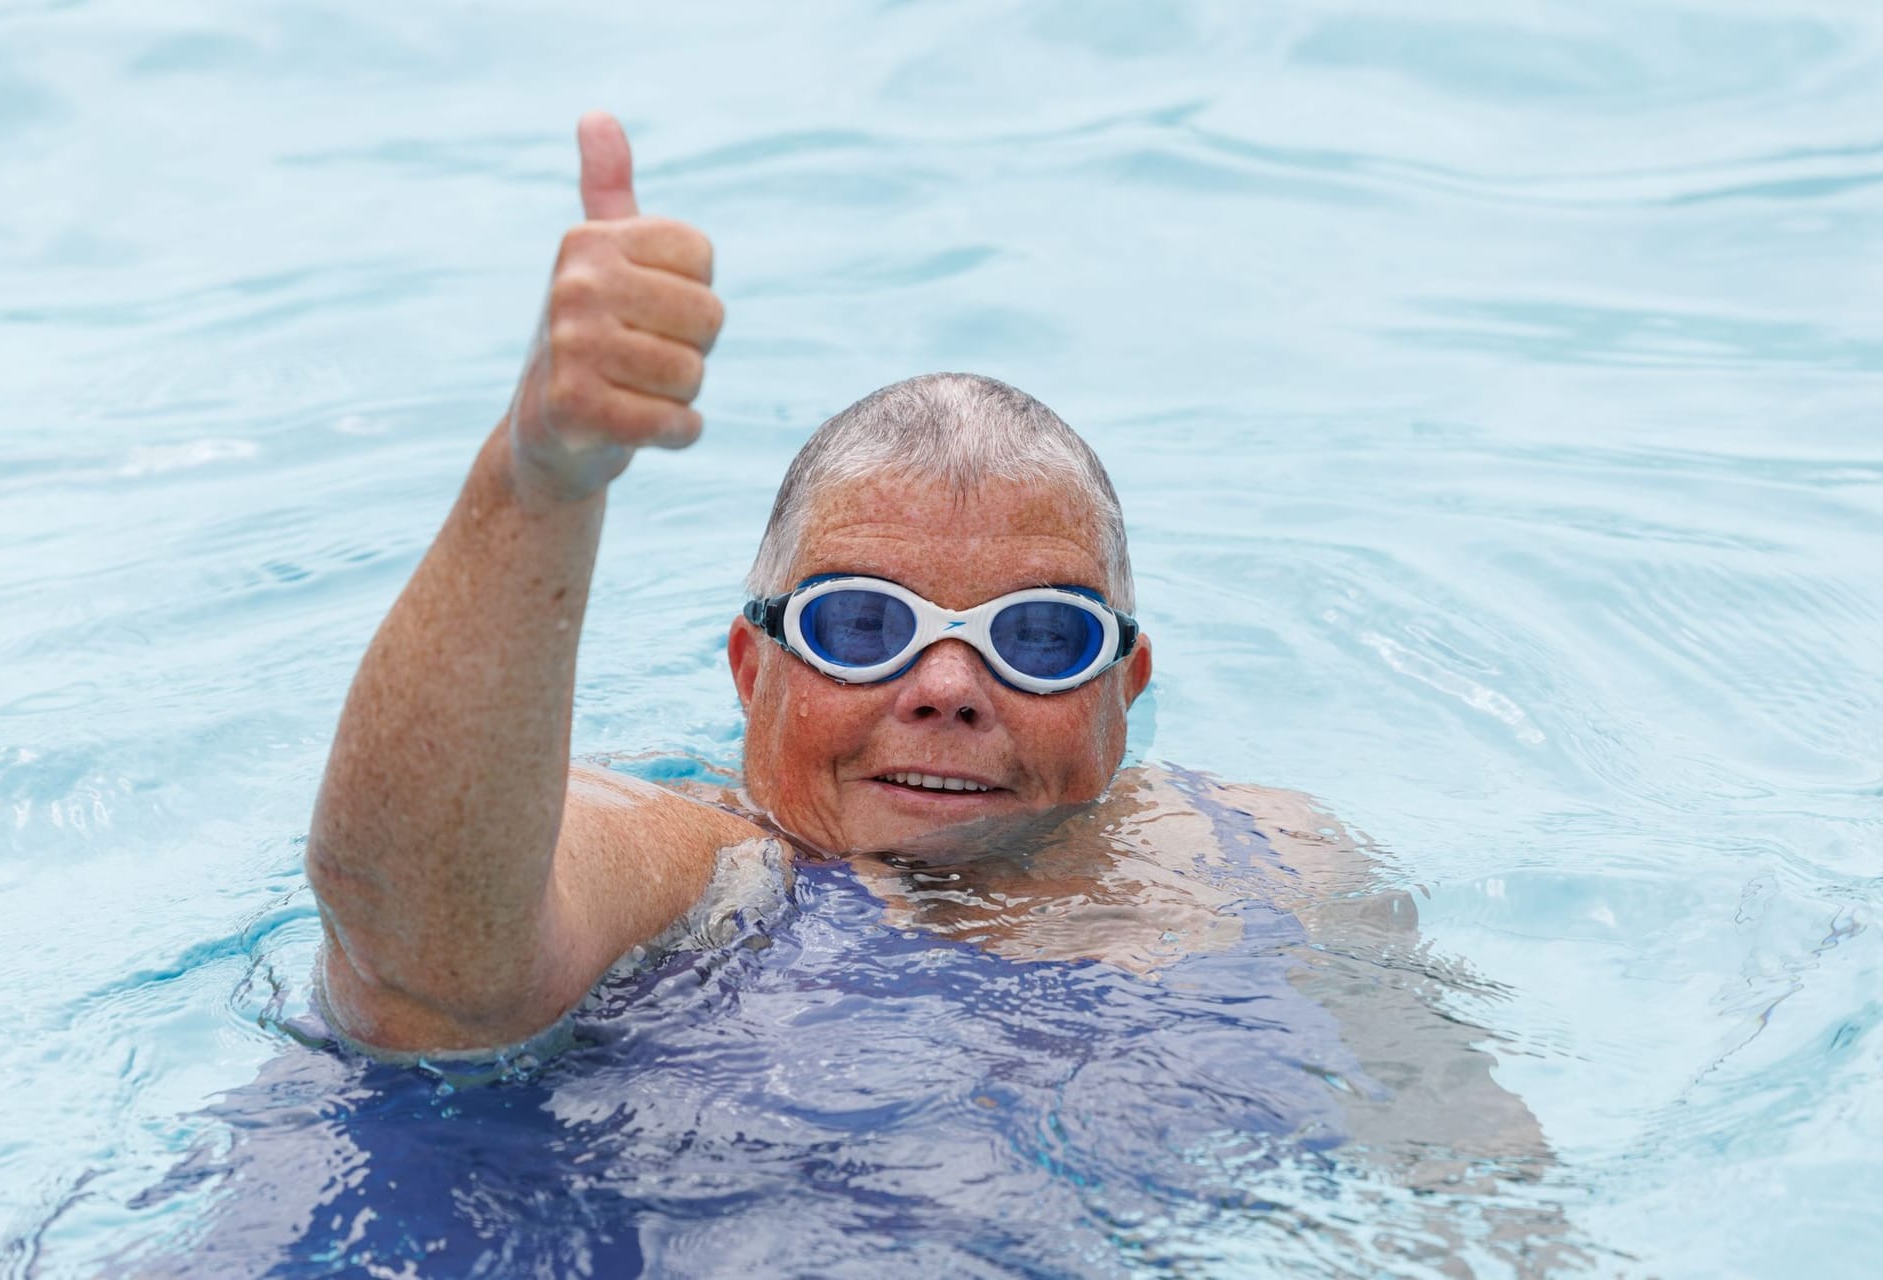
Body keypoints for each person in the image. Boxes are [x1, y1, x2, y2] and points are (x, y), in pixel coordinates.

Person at [303, 111, 1554, 1199]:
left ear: (1126, 689)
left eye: (1039, 638)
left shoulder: (1268, 867)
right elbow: (422, 952)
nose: (949, 687)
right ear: (754, 669)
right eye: (866, 624)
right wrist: (540, 478)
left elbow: (1478, 1192)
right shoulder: (691, 868)